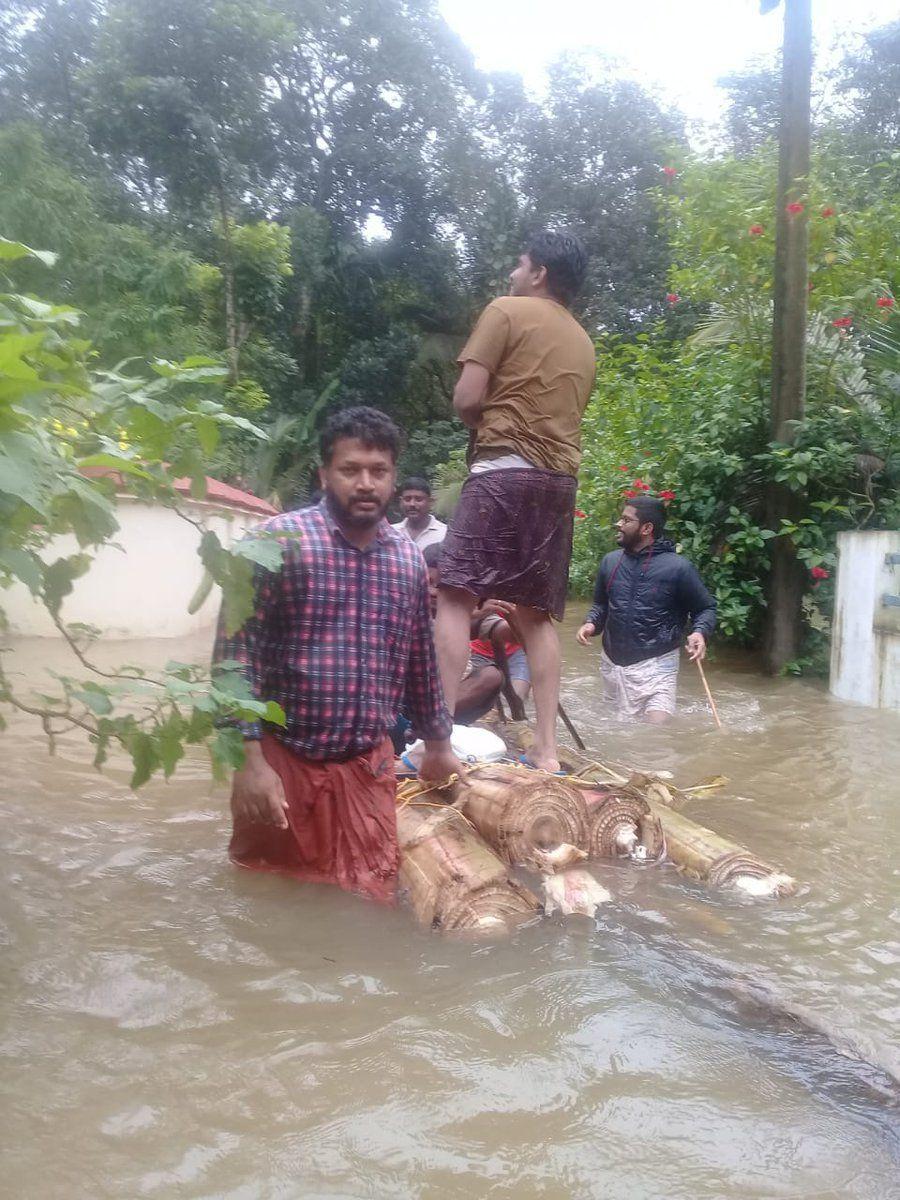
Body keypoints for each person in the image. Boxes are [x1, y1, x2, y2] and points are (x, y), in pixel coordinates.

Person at [213, 407, 460, 902]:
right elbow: (234, 660)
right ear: (325, 474)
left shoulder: (407, 560)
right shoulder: (272, 543)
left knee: (371, 897)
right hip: (283, 763)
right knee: (266, 895)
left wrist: (438, 744)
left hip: (367, 766)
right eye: (351, 470)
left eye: (379, 471)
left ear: (392, 477)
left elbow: (419, 663)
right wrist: (248, 762)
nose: (365, 483)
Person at [434, 230, 595, 772]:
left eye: (519, 263)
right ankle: (547, 752)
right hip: (558, 482)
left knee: (454, 595)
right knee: (538, 615)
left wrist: (484, 422)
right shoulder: (585, 343)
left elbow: (466, 398)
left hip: (502, 470)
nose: (512, 273)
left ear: (540, 272)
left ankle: (436, 741)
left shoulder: (505, 311)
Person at [576, 496, 717, 724]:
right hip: (613, 665)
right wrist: (591, 623)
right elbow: (601, 605)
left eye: (626, 520)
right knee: (617, 731)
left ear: (646, 528)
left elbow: (706, 608)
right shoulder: (610, 562)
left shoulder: (678, 568)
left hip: (658, 665)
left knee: (655, 734)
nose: (619, 525)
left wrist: (700, 632)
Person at [391, 476, 447, 551]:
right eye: (407, 499)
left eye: (418, 499)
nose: (412, 504)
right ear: (401, 501)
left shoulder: (445, 534)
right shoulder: (391, 533)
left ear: (430, 502)